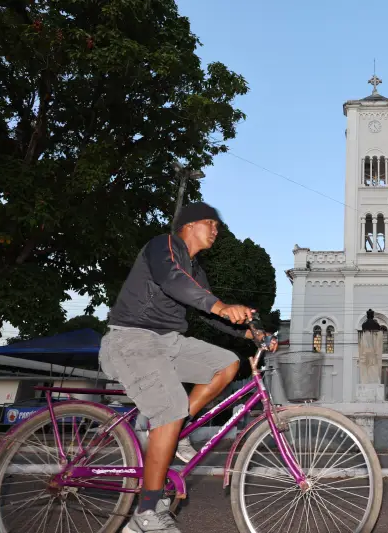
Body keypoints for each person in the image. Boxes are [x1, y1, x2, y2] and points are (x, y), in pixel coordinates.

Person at [99, 202, 277, 533]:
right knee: (170, 408)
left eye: (217, 225)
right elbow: (172, 280)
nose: (216, 229)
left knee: (226, 363)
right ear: (188, 225)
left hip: (167, 343)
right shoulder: (163, 246)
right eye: (210, 223)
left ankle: (174, 431)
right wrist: (222, 306)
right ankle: (146, 512)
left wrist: (256, 332)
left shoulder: (195, 271)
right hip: (133, 339)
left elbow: (210, 310)